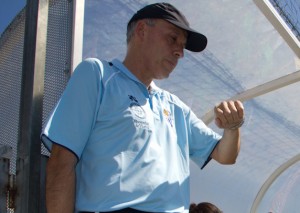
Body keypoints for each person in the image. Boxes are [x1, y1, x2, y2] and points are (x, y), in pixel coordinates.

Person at [42, 2, 245, 213]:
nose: (180, 53)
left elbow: (225, 154)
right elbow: (61, 162)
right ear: (141, 31)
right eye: (173, 39)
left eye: (182, 46)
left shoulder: (175, 107)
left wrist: (233, 127)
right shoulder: (98, 75)